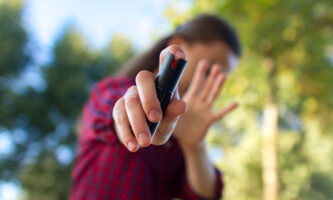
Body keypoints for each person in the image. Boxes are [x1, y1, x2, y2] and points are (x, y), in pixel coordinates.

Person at [70, 14, 241, 200]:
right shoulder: (111, 90)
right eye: (209, 71)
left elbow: (205, 195)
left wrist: (194, 147)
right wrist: (133, 117)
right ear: (179, 44)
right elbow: (113, 113)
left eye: (220, 78)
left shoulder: (183, 136)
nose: (210, 83)